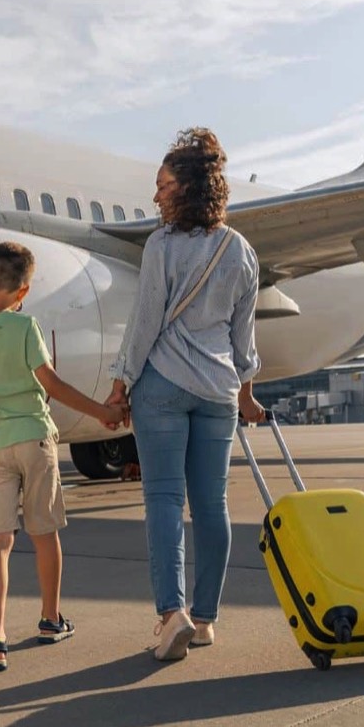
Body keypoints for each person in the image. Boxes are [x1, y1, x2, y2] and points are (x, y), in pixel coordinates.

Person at [105, 127, 265, 662]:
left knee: (165, 501)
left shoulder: (162, 246)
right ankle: (205, 619)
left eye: (163, 185)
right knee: (212, 505)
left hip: (164, 388)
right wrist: (246, 393)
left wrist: (120, 381)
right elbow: (244, 338)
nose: (156, 195)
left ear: (188, 188)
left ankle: (170, 613)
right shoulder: (242, 251)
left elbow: (145, 320)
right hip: (219, 392)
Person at [0, 241, 127, 672]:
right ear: (24, 292)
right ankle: (50, 619)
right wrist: (102, 411)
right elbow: (53, 384)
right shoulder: (26, 327)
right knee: (44, 533)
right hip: (34, 439)